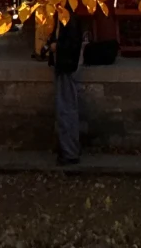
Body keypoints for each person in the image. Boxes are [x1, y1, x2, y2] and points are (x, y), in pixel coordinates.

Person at [49, 11, 84, 166]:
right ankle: (68, 148)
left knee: (66, 108)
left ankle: (70, 152)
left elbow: (71, 43)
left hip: (66, 65)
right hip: (64, 64)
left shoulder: (68, 15)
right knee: (65, 108)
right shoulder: (63, 14)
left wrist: (57, 46)